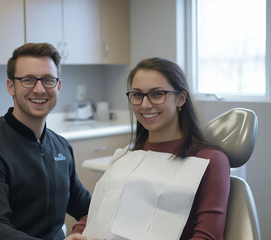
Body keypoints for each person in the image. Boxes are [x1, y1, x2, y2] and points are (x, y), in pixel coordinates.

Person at [65, 57, 230, 240]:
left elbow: (208, 237)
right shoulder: (127, 156)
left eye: (157, 94)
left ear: (181, 99)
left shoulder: (210, 160)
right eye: (137, 95)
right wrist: (77, 233)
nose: (145, 104)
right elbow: (100, 210)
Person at [0, 43, 91, 240]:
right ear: (11, 86)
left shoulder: (61, 147)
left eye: (48, 80)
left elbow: (85, 205)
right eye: (28, 80)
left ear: (58, 86)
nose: (39, 89)